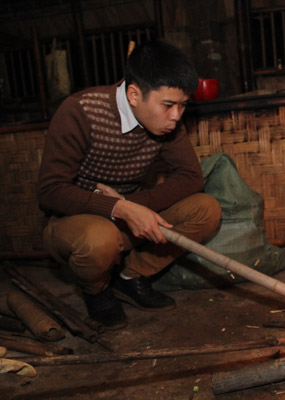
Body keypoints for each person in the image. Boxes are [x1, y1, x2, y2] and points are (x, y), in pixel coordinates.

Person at [37, 39, 222, 330]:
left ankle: (130, 277)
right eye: (168, 105)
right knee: (99, 240)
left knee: (206, 209)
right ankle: (96, 290)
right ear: (134, 95)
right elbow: (50, 191)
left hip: (128, 213)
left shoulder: (167, 125)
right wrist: (117, 208)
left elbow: (191, 178)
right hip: (75, 222)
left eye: (183, 106)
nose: (176, 116)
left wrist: (131, 206)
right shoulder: (80, 112)